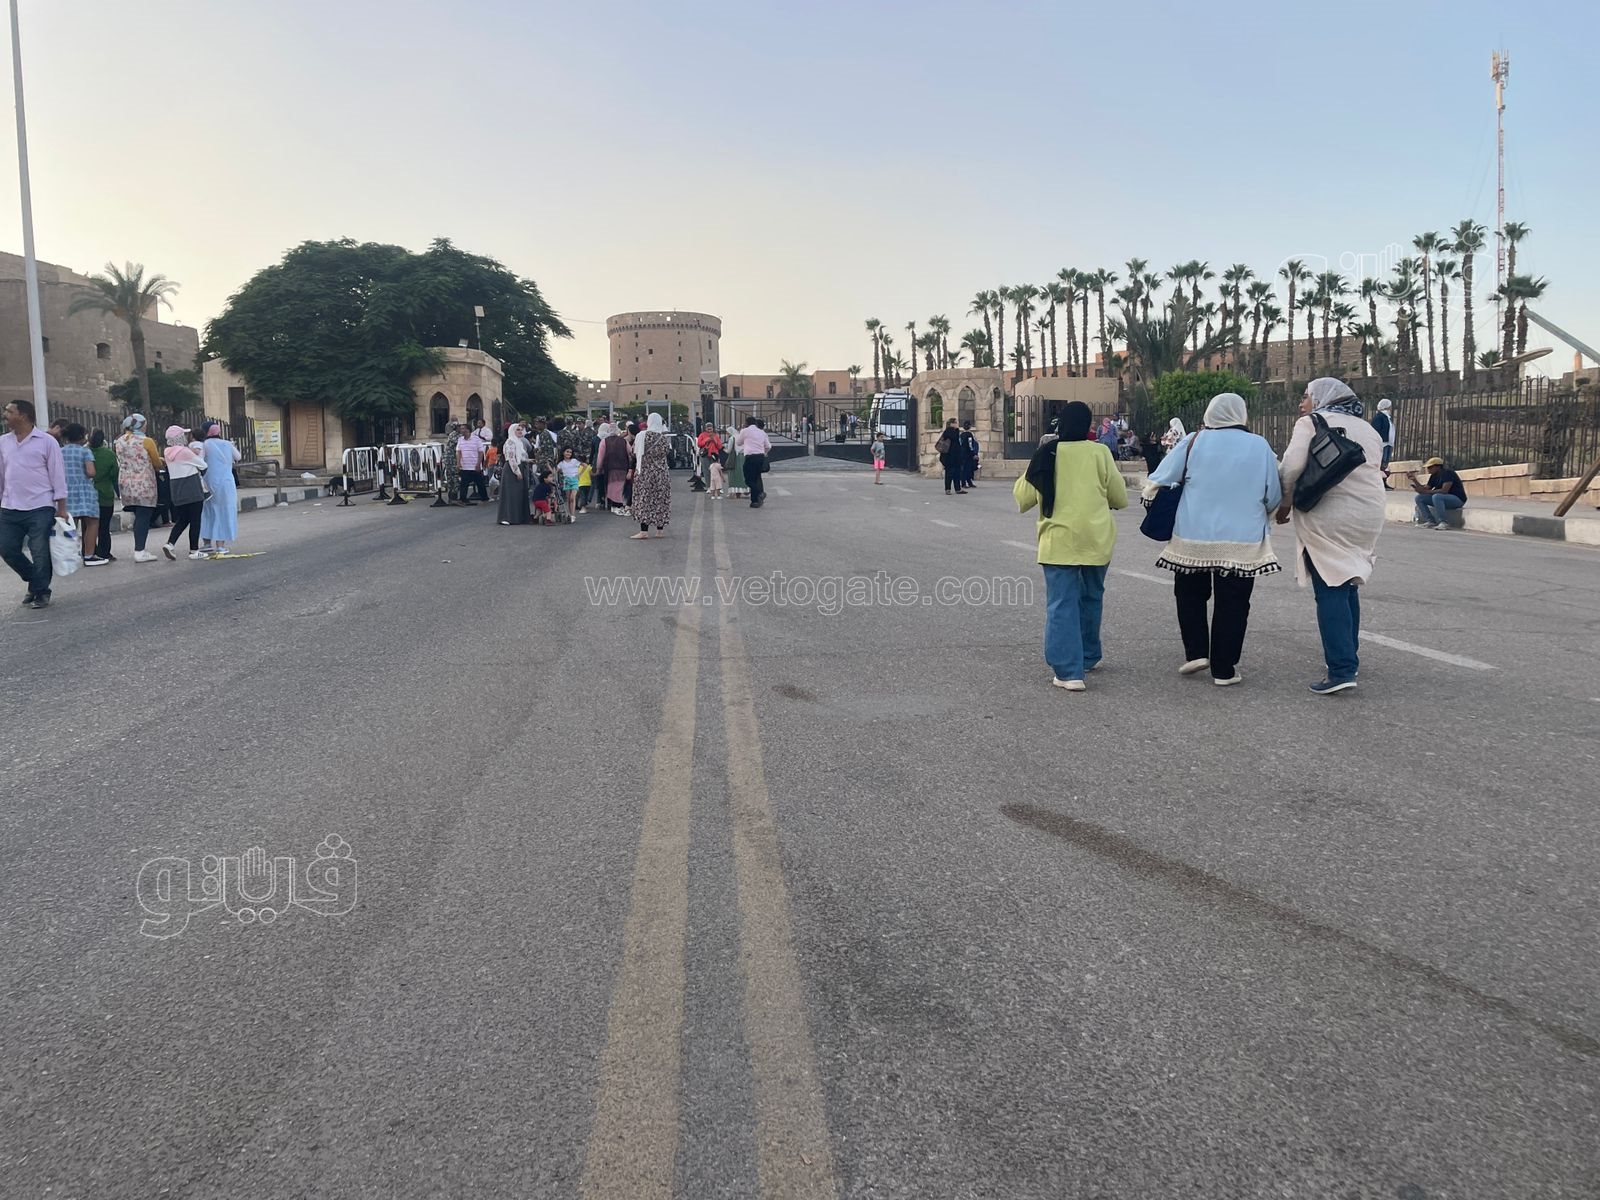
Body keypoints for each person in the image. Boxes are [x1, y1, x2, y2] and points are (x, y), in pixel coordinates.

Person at [1144, 393, 1283, 686]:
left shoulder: (1194, 441)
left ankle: (1196, 652)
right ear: (1241, 414)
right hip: (1242, 540)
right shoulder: (1259, 445)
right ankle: (1224, 668)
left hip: (1192, 535)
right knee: (1234, 602)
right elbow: (1273, 492)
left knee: (1189, 594)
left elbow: (1159, 478)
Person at [1277, 378, 1387, 695]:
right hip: (1369, 511)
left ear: (1321, 397)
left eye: (1306, 396)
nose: (1302, 403)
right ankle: (1349, 656)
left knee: (1329, 584)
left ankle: (1341, 669)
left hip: (1331, 511)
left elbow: (1291, 468)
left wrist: (1284, 503)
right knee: (1347, 580)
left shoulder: (1311, 422)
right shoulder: (1367, 428)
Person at [1013, 401, 1128, 691]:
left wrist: (1038, 458)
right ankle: (1088, 655)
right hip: (1096, 538)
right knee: (1091, 597)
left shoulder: (1047, 453)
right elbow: (1120, 498)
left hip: (1059, 541)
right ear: (1088, 425)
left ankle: (1068, 671)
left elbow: (1023, 498)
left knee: (1062, 603)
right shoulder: (1100, 453)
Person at [1, 399, 69, 607]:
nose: (5, 415)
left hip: (40, 505)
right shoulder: (3, 442)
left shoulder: (47, 442)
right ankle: (33, 578)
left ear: (23, 415)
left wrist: (62, 507)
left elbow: (57, 475)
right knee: (6, 548)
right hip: (9, 505)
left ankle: (41, 592)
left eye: (9, 411)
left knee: (39, 550)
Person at [114, 414, 163, 562]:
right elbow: (156, 462)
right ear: (140, 426)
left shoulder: (119, 441)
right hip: (144, 483)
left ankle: (140, 548)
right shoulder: (146, 441)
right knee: (144, 516)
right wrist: (160, 462)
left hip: (126, 482)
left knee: (138, 515)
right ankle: (140, 550)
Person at [161, 426, 209, 560]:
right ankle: (194, 550)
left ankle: (170, 543)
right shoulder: (185, 452)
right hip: (191, 488)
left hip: (176, 489)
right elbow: (203, 465)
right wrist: (194, 454)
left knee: (183, 519)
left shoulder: (167, 452)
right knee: (195, 521)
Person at [60, 424, 105, 566]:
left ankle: (69, 555)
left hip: (66, 490)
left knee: (70, 523)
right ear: (81, 436)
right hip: (84, 490)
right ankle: (89, 555)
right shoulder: (85, 451)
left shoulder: (60, 451)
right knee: (92, 522)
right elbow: (91, 472)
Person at [199, 424, 241, 557]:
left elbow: (199, 461)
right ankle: (220, 546)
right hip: (226, 483)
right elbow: (238, 457)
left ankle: (207, 543)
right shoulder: (227, 444)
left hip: (209, 482)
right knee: (223, 512)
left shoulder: (204, 445)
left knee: (208, 512)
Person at [629, 412, 672, 538]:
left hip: (645, 473)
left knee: (644, 499)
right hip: (661, 473)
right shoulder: (663, 438)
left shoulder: (642, 436)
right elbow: (667, 452)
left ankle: (644, 531)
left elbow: (634, 452)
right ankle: (660, 530)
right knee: (660, 500)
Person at [1409, 455, 1468, 529]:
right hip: (1441, 499)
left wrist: (1426, 491)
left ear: (1438, 467)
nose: (1428, 469)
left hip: (1457, 500)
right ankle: (1430, 521)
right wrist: (1414, 480)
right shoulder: (1433, 476)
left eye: (1430, 467)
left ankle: (1443, 522)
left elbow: (1444, 490)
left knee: (1437, 496)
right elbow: (1425, 489)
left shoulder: (1448, 473)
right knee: (1419, 498)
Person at [89, 430, 118, 562]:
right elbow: (114, 474)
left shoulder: (85, 453)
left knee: (88, 526)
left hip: (88, 494)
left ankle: (88, 550)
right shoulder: (109, 454)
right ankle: (104, 552)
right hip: (105, 494)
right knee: (104, 526)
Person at [496, 423, 531, 525]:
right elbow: (511, 458)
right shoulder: (510, 442)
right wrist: (517, 471)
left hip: (519, 467)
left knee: (518, 494)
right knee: (511, 494)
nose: (520, 431)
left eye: (521, 430)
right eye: (517, 430)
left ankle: (519, 517)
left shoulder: (519, 442)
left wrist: (528, 460)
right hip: (511, 470)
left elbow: (520, 457)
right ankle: (507, 517)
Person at [737, 415, 771, 509]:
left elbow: (738, 442)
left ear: (746, 423)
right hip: (760, 456)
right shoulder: (762, 432)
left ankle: (759, 493)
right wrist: (764, 452)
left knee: (748, 479)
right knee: (756, 477)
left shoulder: (745, 431)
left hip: (750, 457)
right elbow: (768, 446)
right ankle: (755, 501)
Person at [596, 421, 630, 515]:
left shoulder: (604, 441)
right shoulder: (624, 441)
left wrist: (598, 468)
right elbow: (630, 453)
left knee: (611, 486)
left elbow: (600, 457)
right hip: (623, 467)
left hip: (609, 467)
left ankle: (614, 504)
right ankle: (619, 504)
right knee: (620, 486)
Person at [456, 425, 484, 505]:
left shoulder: (476, 439)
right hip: (465, 466)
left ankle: (484, 498)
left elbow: (481, 452)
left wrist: (478, 463)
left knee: (480, 483)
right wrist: (458, 463)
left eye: (463, 429)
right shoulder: (460, 440)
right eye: (461, 429)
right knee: (464, 484)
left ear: (468, 430)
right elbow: (458, 452)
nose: (461, 430)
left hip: (474, 465)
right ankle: (463, 499)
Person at [937, 418, 965, 495]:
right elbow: (954, 438)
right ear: (952, 424)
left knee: (957, 473)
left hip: (955, 456)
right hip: (950, 456)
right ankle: (948, 489)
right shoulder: (949, 431)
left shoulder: (954, 431)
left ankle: (957, 488)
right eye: (956, 423)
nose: (957, 424)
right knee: (950, 473)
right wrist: (957, 430)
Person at [1372, 399, 1396, 483]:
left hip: (1389, 443)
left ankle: (1384, 481)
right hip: (1383, 443)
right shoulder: (1379, 417)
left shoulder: (1387, 417)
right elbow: (1376, 430)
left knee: (1385, 463)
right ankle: (1378, 482)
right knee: (1381, 462)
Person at [558, 446, 582, 520]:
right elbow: (555, 471)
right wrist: (549, 466)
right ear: (563, 452)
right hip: (566, 480)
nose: (569, 453)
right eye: (567, 452)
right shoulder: (561, 463)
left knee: (572, 497)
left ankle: (573, 514)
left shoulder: (574, 461)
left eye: (570, 452)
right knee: (568, 499)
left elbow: (584, 465)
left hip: (574, 480)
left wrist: (579, 474)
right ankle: (570, 514)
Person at [725, 425, 749, 499]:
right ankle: (744, 490)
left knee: (734, 475)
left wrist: (724, 448)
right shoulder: (740, 437)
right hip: (743, 457)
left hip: (735, 458)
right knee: (742, 474)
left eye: (727, 433)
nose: (727, 434)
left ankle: (734, 492)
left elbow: (729, 450)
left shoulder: (732, 438)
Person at [960, 421, 980, 488]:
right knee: (967, 468)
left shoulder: (961, 435)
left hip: (962, 453)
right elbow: (970, 444)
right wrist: (973, 453)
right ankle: (965, 483)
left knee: (964, 468)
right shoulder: (969, 435)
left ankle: (967, 482)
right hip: (968, 454)